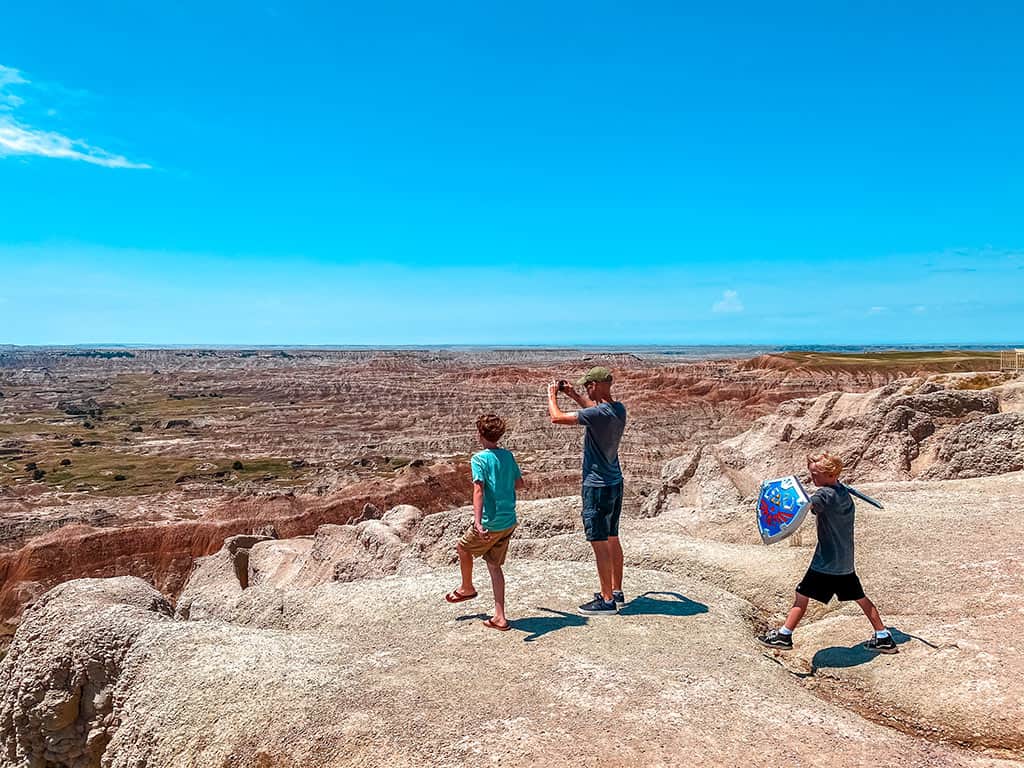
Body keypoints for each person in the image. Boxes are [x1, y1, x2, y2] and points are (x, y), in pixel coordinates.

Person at [759, 452, 897, 653]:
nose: (812, 479)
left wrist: (804, 501)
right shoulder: (842, 492)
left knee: (801, 595)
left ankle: (784, 635)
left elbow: (806, 505)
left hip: (826, 561)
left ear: (831, 475)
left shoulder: (824, 495)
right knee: (860, 597)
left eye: (816, 475)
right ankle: (883, 636)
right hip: (844, 561)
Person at [548, 366, 627, 616]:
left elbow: (556, 418)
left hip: (597, 485)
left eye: (586, 387)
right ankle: (616, 591)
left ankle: (606, 601)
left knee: (599, 541)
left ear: (594, 385)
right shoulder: (618, 409)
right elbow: (590, 410)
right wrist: (572, 394)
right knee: (612, 537)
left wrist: (552, 396)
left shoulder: (599, 413)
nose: (585, 390)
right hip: (615, 482)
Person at [444, 414, 525, 631]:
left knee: (462, 547)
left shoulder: (479, 459)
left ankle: (467, 587)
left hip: (491, 521)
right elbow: (519, 484)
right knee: (494, 565)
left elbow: (478, 490)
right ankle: (500, 617)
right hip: (509, 520)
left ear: (480, 434)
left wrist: (478, 523)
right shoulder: (508, 456)